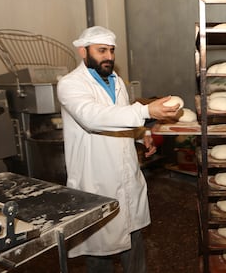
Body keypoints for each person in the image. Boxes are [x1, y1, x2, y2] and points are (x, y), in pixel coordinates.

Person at [57, 26, 180, 273]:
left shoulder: (117, 83)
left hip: (126, 177)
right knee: (100, 248)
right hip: (97, 179)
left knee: (133, 240)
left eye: (111, 51)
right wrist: (145, 112)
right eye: (101, 50)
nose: (109, 57)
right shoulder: (70, 84)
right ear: (83, 51)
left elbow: (119, 116)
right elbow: (93, 117)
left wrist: (139, 135)